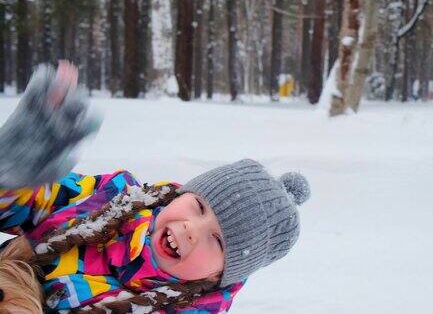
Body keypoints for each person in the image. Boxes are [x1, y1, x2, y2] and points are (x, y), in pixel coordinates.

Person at [0, 63, 310, 313]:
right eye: (199, 206)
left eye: (217, 240)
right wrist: (15, 171)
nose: (192, 228)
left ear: (219, 276)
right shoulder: (111, 196)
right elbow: (27, 206)